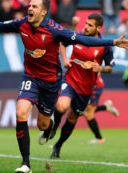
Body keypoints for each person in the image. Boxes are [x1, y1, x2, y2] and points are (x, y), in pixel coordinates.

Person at [0, 0, 128, 172]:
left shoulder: (55, 30)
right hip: (30, 77)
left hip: (51, 82)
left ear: (43, 12)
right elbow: (1, 25)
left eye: (35, 7)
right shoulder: (22, 24)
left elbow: (83, 39)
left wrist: (113, 42)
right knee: (21, 112)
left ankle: (50, 127)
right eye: (30, 5)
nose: (30, 8)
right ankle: (25, 164)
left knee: (42, 125)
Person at [46, 13, 115, 159]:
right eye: (86, 24)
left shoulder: (104, 46)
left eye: (90, 25)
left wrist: (101, 68)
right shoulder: (77, 36)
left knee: (72, 119)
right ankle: (54, 125)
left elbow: (110, 67)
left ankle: (58, 146)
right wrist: (64, 59)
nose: (86, 27)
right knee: (61, 106)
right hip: (70, 80)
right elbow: (62, 44)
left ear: (98, 28)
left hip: (86, 89)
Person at [83, 73, 119, 144]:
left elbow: (103, 68)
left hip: (93, 85)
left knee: (87, 113)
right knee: (82, 111)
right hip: (87, 84)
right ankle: (106, 107)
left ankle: (99, 138)